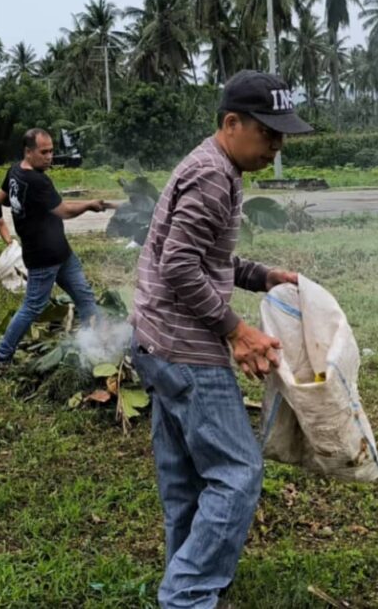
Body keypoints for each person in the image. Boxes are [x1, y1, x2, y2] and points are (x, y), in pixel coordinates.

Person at [129, 70, 312, 608]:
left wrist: (261, 275)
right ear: (232, 123)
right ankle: (186, 595)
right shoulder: (214, 176)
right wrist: (237, 330)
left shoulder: (212, 166)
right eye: (268, 133)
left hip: (154, 341)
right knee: (237, 473)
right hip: (186, 350)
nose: (276, 146)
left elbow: (206, 257)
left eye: (282, 136)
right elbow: (180, 264)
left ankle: (183, 575)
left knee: (186, 477)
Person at [0, 128, 112, 367]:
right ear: (28, 152)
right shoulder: (37, 180)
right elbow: (63, 211)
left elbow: (0, 198)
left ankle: (98, 343)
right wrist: (89, 204)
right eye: (43, 152)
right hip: (44, 256)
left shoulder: (15, 171)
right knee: (32, 307)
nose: (49, 157)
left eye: (52, 151)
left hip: (60, 251)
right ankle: (1, 356)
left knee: (85, 297)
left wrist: (24, 208)